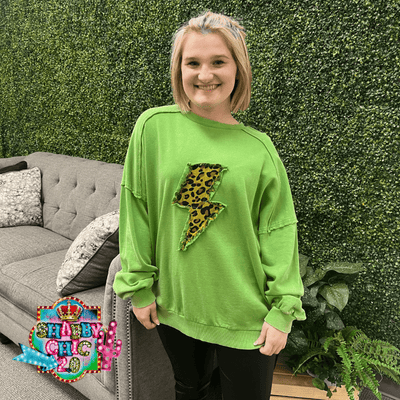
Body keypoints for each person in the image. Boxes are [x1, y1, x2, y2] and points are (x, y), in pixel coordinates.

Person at [113, 10, 306, 400]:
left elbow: (278, 230)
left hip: (246, 314)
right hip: (175, 306)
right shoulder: (152, 127)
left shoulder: (259, 149)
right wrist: (138, 286)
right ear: (179, 69)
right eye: (193, 63)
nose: (205, 75)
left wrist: (283, 308)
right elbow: (136, 209)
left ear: (238, 69)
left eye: (218, 61)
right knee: (189, 389)